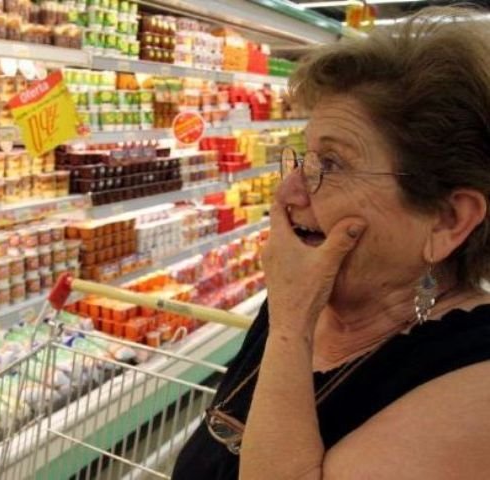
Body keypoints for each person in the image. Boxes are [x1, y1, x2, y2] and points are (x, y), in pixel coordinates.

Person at [172, 6, 490, 479]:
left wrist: (290, 330)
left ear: (447, 221)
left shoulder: (474, 387)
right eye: (305, 159)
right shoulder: (301, 301)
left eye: (332, 165)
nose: (289, 192)